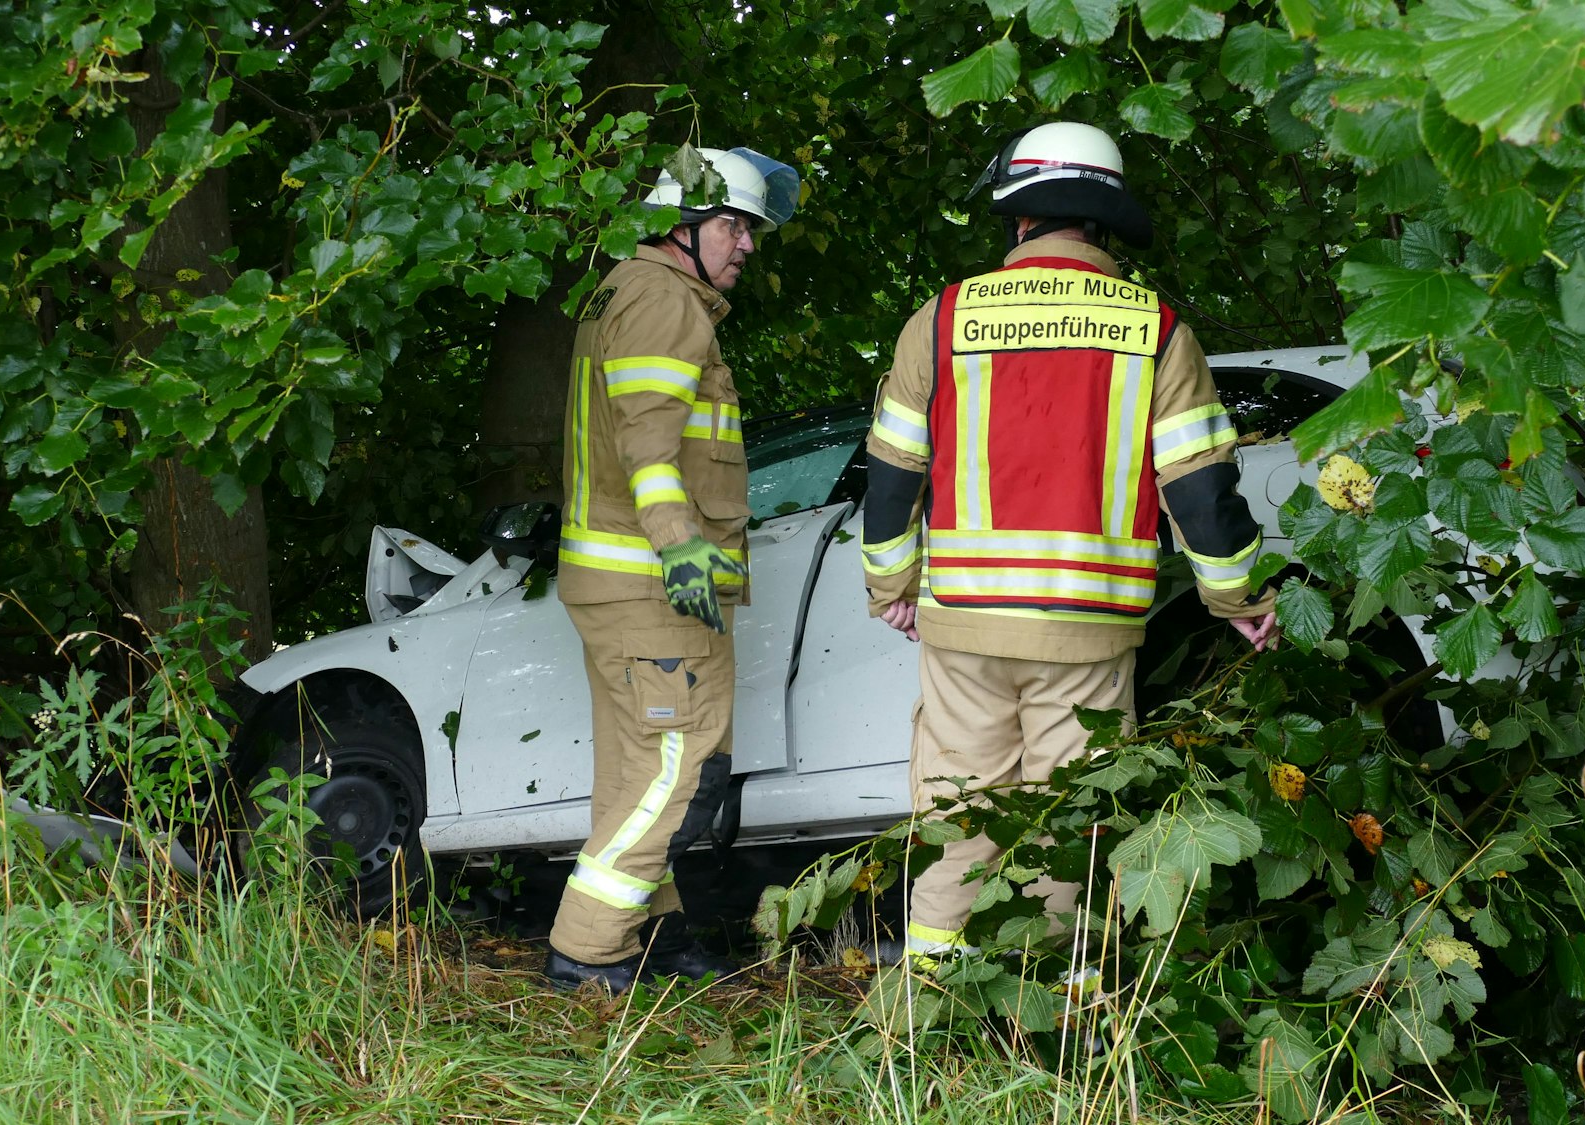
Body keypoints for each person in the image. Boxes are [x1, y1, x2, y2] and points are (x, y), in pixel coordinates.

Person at [860, 121, 1279, 963]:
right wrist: (1241, 600)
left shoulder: (940, 319)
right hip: (1089, 631)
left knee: (959, 821)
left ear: (1021, 217)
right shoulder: (1156, 327)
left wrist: (891, 586)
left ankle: (924, 1020)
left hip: (966, 624)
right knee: (1070, 831)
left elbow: (892, 473)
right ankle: (1057, 1026)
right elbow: (1200, 488)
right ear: (1101, 220)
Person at [545, 146, 799, 992]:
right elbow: (648, 439)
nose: (748, 246)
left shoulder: (627, 291)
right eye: (734, 224)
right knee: (674, 767)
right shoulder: (662, 302)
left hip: (617, 584)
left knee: (634, 771)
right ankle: (587, 949)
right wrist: (677, 542)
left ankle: (651, 933)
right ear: (682, 225)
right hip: (653, 586)